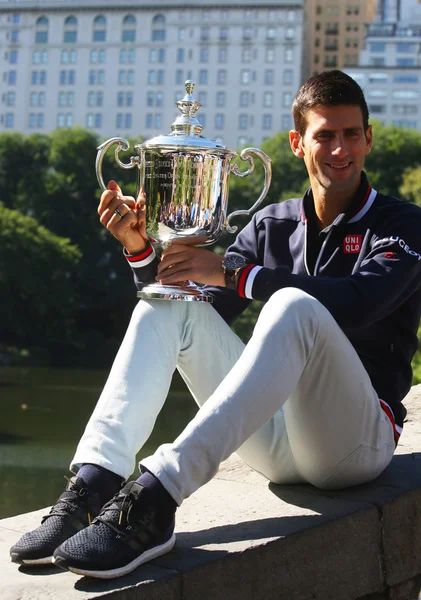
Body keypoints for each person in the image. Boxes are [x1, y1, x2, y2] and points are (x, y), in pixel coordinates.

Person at [10, 70, 421, 579]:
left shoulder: (403, 223)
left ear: (368, 138)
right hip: (277, 443)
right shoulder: (272, 223)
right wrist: (142, 251)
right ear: (298, 143)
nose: (340, 149)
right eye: (324, 135)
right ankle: (91, 488)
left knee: (293, 305)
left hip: (356, 444)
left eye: (351, 134)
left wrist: (235, 271)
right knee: (162, 310)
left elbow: (361, 303)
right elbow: (199, 312)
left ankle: (155, 498)